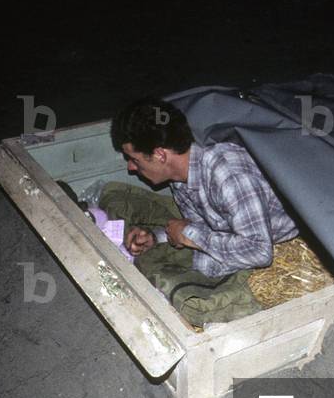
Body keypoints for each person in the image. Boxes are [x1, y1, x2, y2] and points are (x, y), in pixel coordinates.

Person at [109, 97, 298, 277]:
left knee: (205, 268)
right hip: (235, 229)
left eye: (134, 159)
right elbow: (202, 227)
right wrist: (156, 237)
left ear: (160, 155)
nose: (131, 167)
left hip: (262, 238)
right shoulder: (179, 174)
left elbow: (259, 252)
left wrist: (189, 234)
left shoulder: (229, 177)